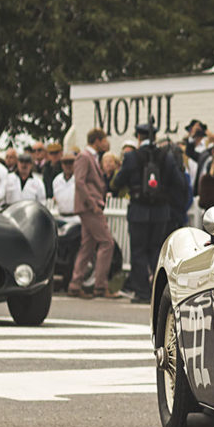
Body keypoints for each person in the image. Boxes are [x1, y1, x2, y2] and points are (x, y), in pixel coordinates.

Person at [111, 122, 182, 304]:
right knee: (156, 250)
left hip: (138, 210)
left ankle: (142, 291)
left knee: (138, 251)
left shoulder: (132, 157)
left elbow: (118, 181)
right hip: (161, 211)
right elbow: (178, 182)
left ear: (138, 137)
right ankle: (157, 291)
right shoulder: (166, 157)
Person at [70, 129, 119, 299]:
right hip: (90, 208)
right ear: (97, 141)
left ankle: (75, 284)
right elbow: (80, 182)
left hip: (89, 207)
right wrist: (93, 203)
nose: (106, 143)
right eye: (104, 140)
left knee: (88, 246)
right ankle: (100, 285)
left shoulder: (91, 157)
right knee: (107, 242)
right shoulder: (85, 157)